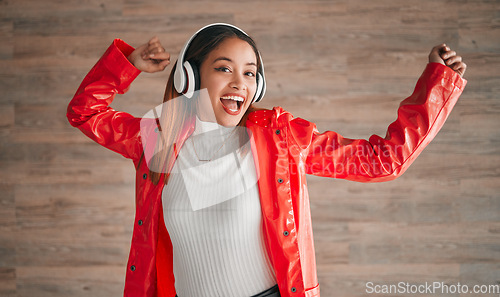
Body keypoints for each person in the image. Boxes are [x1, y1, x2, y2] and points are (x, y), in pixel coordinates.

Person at [67, 23, 467, 297]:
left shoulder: (281, 140)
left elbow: (383, 160)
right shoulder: (160, 136)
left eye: (250, 73)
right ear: (190, 76)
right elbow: (85, 114)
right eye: (224, 69)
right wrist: (126, 66)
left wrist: (437, 82)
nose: (240, 82)